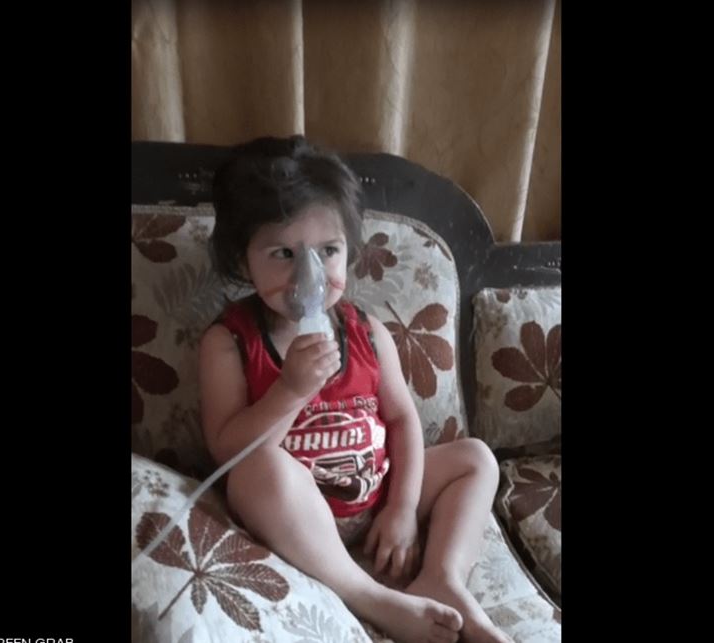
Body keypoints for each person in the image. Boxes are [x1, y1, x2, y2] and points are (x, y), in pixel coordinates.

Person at [198, 135, 513, 643]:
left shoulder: (367, 331)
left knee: (476, 458)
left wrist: (402, 508)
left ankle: (443, 576)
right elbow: (226, 451)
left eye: (328, 251)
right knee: (255, 474)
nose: (310, 275)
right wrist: (289, 391)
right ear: (242, 261)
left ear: (349, 249)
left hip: (377, 493)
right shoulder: (229, 343)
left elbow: (402, 420)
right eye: (283, 253)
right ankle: (367, 595)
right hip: (302, 518)